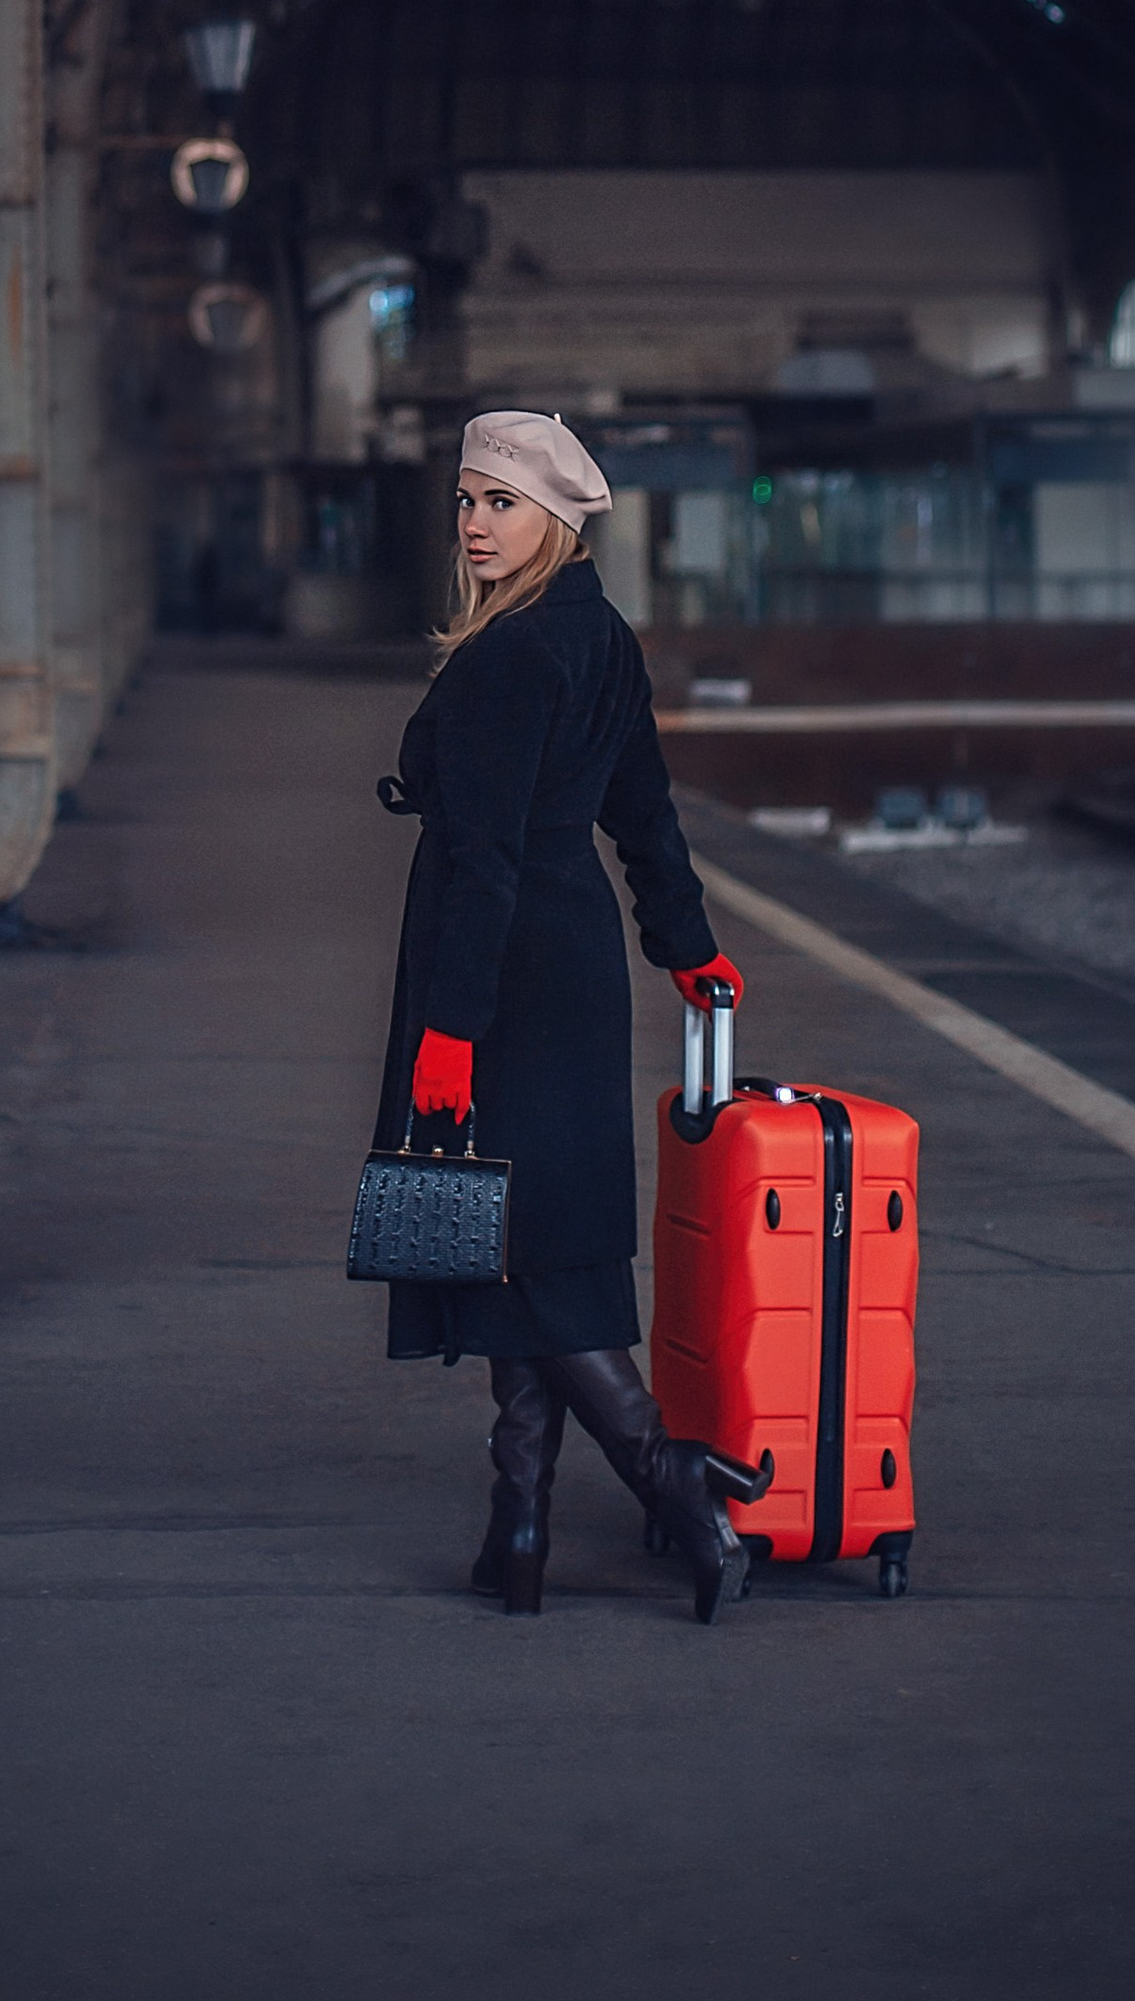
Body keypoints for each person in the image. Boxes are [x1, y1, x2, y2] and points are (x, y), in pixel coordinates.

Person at [370, 408, 770, 1621]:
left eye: (500, 503)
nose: (475, 524)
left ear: (554, 519)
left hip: (500, 976)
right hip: (574, 960)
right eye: (467, 500)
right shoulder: (597, 636)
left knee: (520, 1239)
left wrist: (449, 1033)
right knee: (526, 1235)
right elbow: (641, 814)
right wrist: (684, 949)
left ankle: (672, 1481)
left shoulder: (507, 659)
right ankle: (521, 1524)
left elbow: (485, 862)